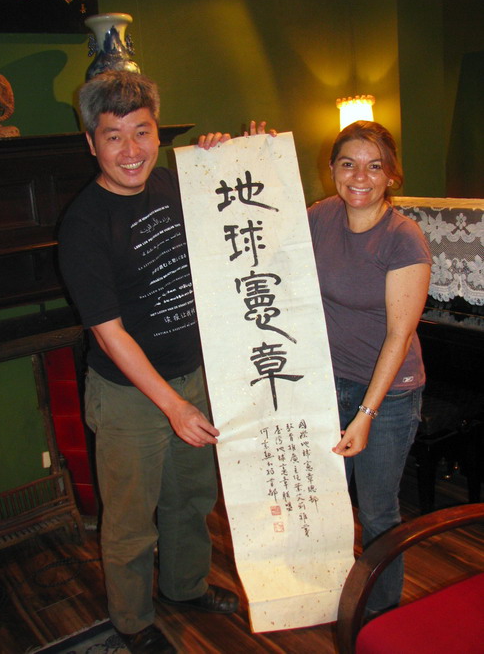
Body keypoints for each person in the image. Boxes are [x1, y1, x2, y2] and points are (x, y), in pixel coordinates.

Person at [58, 70, 264, 654]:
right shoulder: (83, 224)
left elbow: (238, 213)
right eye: (113, 136)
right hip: (128, 397)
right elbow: (109, 335)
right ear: (91, 143)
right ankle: (131, 621)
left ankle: (184, 586)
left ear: (157, 133)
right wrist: (173, 407)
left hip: (194, 376)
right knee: (130, 521)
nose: (131, 150)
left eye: (142, 132)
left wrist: (240, 157)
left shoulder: (176, 183)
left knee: (191, 499)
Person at [307, 121, 431, 617]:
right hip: (326, 385)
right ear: (332, 169)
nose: (360, 177)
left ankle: (383, 618)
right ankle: (329, 599)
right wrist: (238, 152)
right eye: (348, 164)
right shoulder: (320, 216)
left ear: (391, 175)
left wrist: (365, 414)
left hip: (388, 395)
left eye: (374, 166)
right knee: (327, 504)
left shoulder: (403, 239)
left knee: (379, 512)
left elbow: (399, 336)